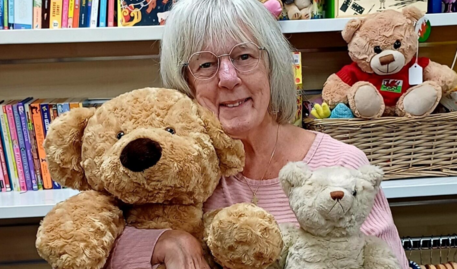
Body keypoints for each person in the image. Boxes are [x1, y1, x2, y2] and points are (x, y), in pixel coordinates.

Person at [104, 0, 408, 268]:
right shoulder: (174, 171)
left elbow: (386, 260)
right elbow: (96, 243)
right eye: (206, 64)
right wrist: (165, 241)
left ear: (271, 66)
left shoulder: (343, 163)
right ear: (186, 82)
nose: (227, 78)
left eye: (244, 57)